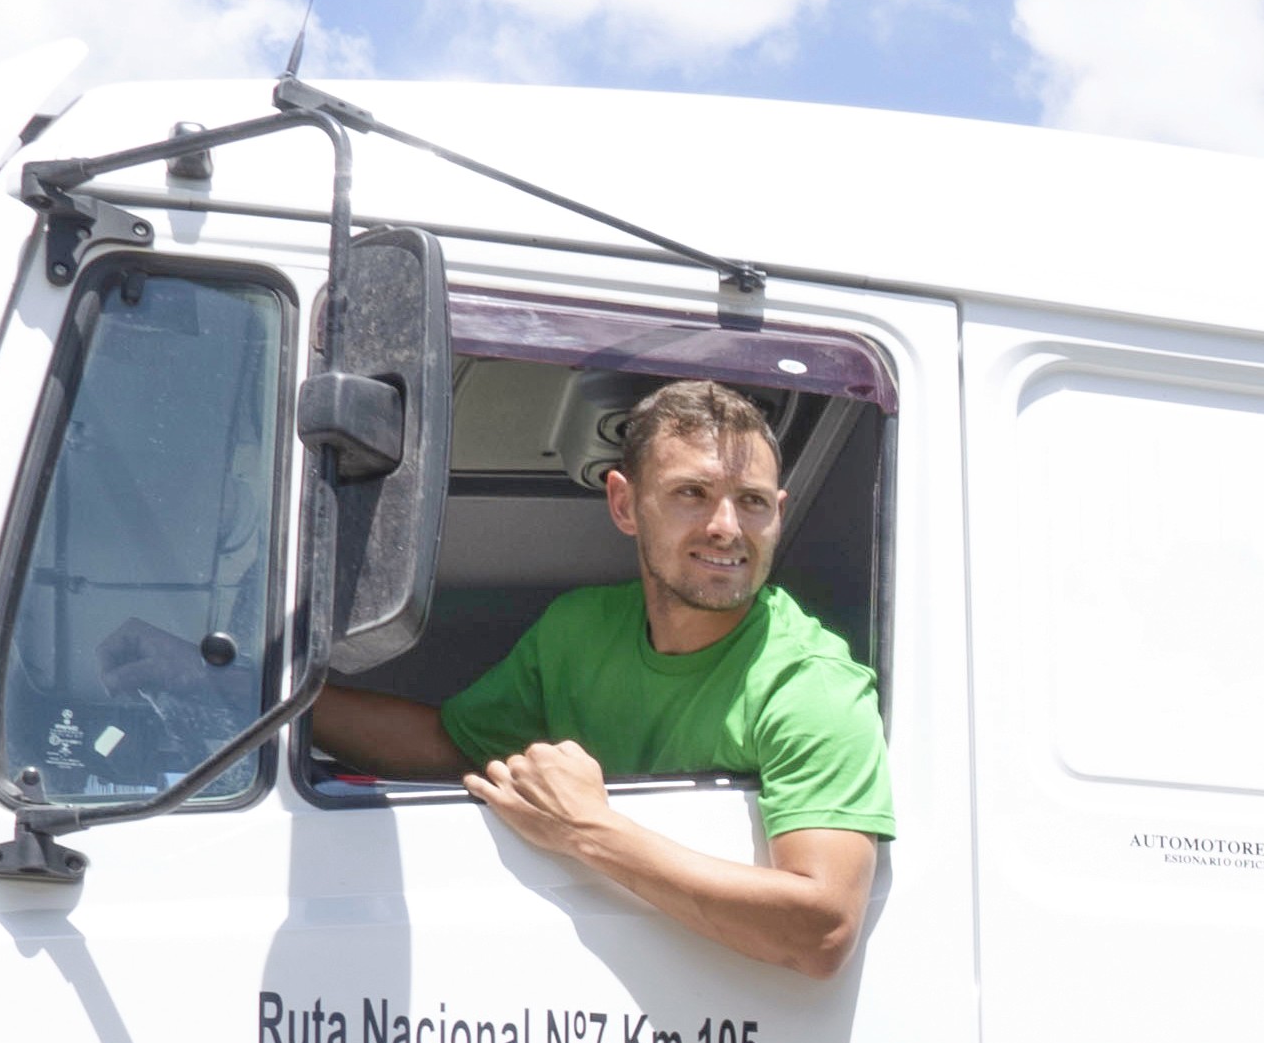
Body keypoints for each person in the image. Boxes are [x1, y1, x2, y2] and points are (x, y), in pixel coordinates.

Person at [313, 374, 890, 988]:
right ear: (624, 504)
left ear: (778, 512)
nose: (726, 527)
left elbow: (822, 932)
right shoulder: (578, 628)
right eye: (692, 493)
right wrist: (287, 705)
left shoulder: (812, 684)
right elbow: (451, 747)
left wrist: (589, 830)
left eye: (751, 501)